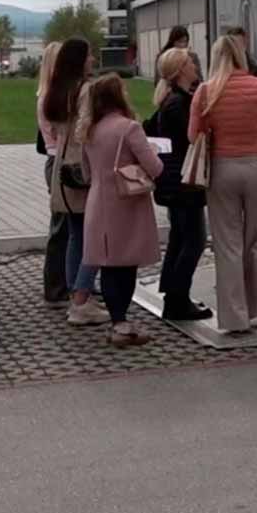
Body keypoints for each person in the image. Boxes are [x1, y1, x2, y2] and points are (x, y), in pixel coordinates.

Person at [189, 34, 257, 333]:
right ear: (241, 56)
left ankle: (235, 318)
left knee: (227, 243)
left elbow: (193, 135)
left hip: (222, 169)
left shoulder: (206, 91)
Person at [80, 74, 164, 347]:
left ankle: (117, 320)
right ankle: (122, 324)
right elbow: (155, 168)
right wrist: (153, 150)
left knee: (108, 263)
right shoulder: (129, 128)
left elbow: (85, 172)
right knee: (126, 264)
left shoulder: (89, 130)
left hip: (98, 202)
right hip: (127, 203)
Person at [43, 38, 107, 325]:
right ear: (79, 60)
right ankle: (81, 298)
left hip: (62, 165)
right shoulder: (85, 91)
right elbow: (87, 127)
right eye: (89, 55)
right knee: (93, 237)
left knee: (76, 235)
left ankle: (76, 296)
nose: (93, 60)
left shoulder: (56, 91)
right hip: (82, 167)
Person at [144, 47, 210, 320]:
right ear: (181, 69)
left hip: (172, 181)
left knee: (180, 238)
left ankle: (173, 295)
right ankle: (178, 298)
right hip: (183, 182)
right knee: (194, 240)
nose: (195, 66)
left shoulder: (170, 100)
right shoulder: (179, 103)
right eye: (191, 63)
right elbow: (192, 137)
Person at [36, 40, 69, 302]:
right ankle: (55, 285)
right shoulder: (50, 98)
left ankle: (68, 281)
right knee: (61, 227)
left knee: (68, 228)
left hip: (59, 159)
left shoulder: (51, 95)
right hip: (59, 160)